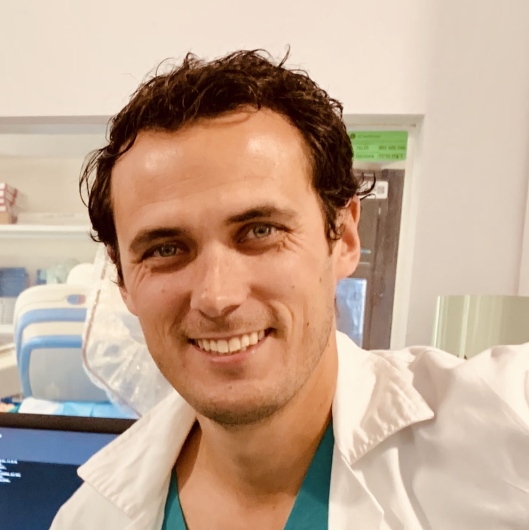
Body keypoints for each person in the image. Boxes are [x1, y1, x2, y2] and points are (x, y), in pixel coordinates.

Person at [51, 50, 529, 530]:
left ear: (343, 237)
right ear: (123, 280)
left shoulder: (501, 429)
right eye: (165, 249)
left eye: (260, 231)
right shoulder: (88, 518)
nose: (217, 297)